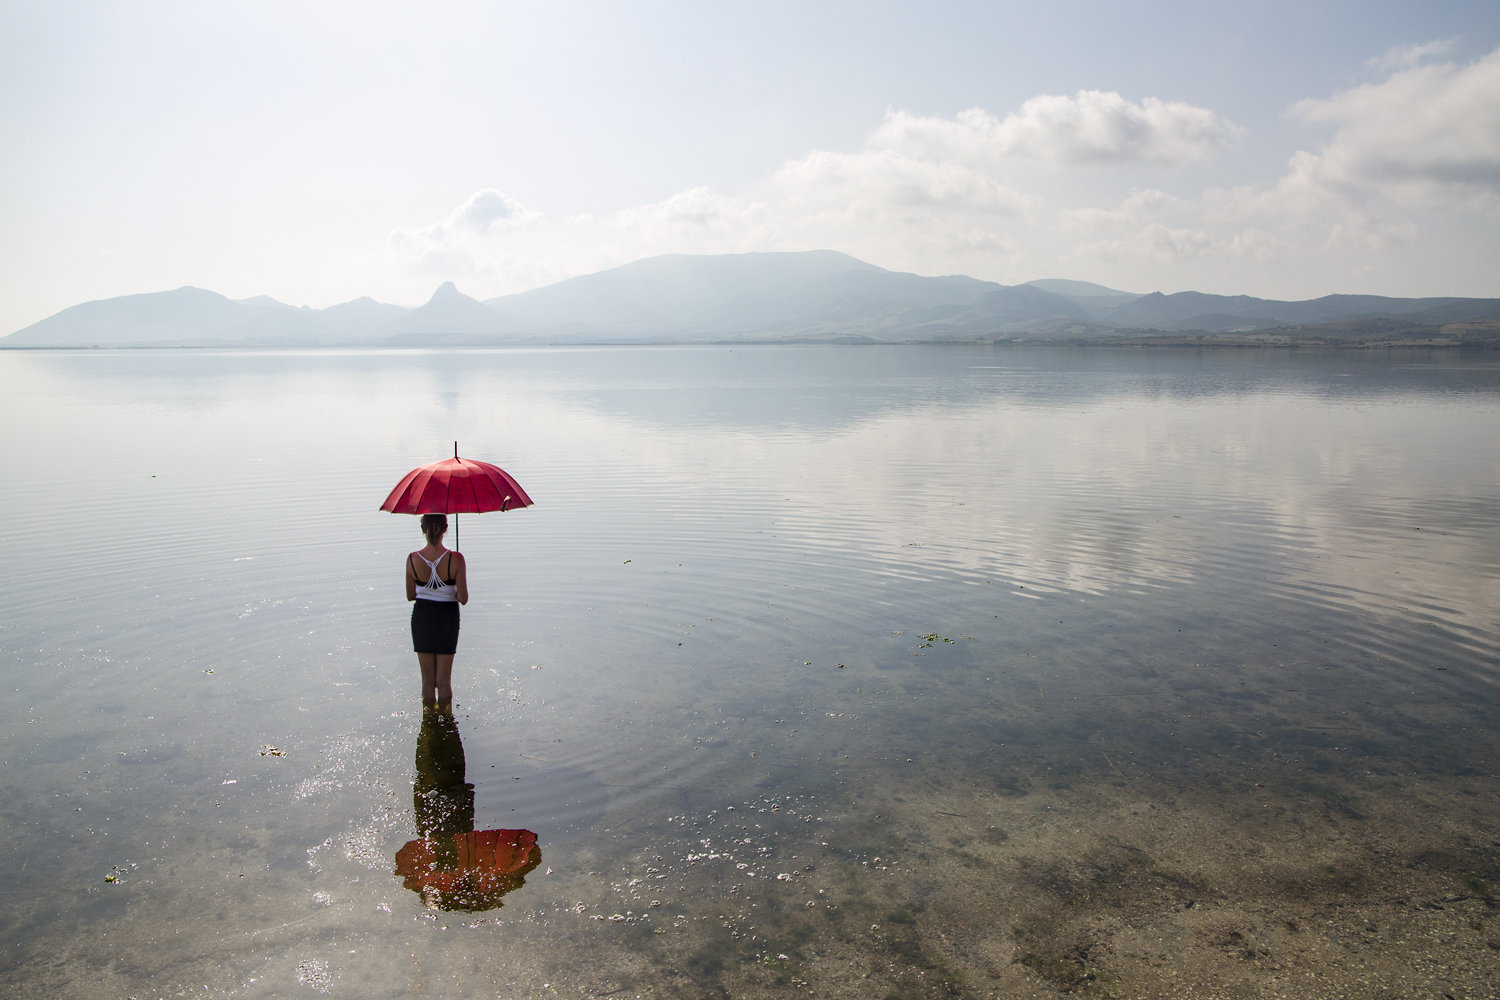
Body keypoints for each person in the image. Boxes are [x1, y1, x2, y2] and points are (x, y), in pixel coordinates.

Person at [406, 513, 468, 711]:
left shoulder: (412, 559)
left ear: (423, 529)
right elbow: (463, 599)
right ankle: (446, 721)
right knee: (443, 681)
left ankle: (429, 722)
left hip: (422, 617)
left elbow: (410, 596)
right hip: (447, 619)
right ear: (445, 529)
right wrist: (451, 589)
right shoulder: (456, 559)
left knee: (427, 680)